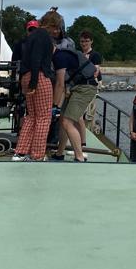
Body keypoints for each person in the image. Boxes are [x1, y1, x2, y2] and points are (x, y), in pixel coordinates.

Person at [51, 31, 102, 160]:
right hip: (78, 87)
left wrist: (54, 106)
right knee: (63, 119)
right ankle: (60, 153)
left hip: (85, 88)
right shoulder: (62, 54)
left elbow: (60, 84)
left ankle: (79, 156)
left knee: (67, 121)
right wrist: (58, 108)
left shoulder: (59, 58)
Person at [11, 15, 56, 161]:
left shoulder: (31, 36)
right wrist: (34, 82)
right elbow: (36, 59)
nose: (56, 31)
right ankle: (37, 155)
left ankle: (20, 152)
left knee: (31, 117)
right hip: (39, 77)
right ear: (51, 25)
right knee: (43, 118)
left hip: (25, 75)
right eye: (56, 27)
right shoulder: (44, 36)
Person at [47, 13, 87, 162]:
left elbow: (65, 74)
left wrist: (56, 103)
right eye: (53, 28)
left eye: (58, 28)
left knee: (65, 118)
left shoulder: (68, 42)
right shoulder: (47, 40)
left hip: (65, 82)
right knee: (60, 118)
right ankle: (59, 150)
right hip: (53, 78)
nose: (56, 31)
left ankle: (78, 153)